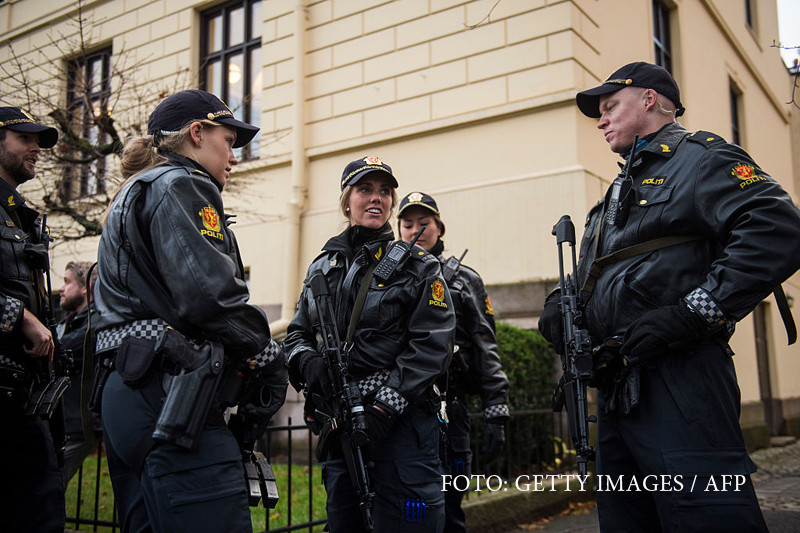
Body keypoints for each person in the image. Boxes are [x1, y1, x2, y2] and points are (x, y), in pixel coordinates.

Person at [538, 62, 800, 532]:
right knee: (627, 521)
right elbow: (594, 270)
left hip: (682, 384)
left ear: (650, 100)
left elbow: (777, 229)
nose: (601, 120)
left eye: (610, 107)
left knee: (705, 518)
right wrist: (560, 299)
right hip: (619, 391)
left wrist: (693, 313)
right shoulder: (617, 190)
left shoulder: (701, 159)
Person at [93, 89, 288, 533]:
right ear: (197, 134)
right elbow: (209, 297)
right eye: (228, 140)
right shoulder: (181, 183)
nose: (235, 156)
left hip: (130, 395)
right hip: (170, 398)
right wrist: (266, 355)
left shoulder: (136, 191)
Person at [284, 157, 455, 533]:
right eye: (365, 190)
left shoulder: (419, 267)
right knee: (345, 522)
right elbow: (296, 334)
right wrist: (308, 364)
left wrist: (383, 408)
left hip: (403, 425)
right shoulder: (321, 268)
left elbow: (432, 347)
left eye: (384, 191)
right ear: (347, 201)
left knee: (411, 523)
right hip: (342, 423)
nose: (375, 198)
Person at [397, 191, 509, 533]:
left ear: (439, 228)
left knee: (449, 505)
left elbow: (485, 342)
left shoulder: (464, 279)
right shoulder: (389, 274)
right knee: (411, 507)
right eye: (407, 223)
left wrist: (497, 410)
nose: (416, 230)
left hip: (451, 410)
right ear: (398, 229)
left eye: (424, 223)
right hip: (403, 411)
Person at [0, 106, 66, 531]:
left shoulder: (22, 214)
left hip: (26, 392)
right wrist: (16, 314)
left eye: (39, 140)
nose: (36, 148)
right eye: (25, 138)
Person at [57, 260, 100, 485]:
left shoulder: (93, 324)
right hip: (65, 423)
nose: (62, 288)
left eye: (67, 282)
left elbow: (57, 350)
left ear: (85, 287)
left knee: (47, 490)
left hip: (74, 426)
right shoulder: (74, 321)